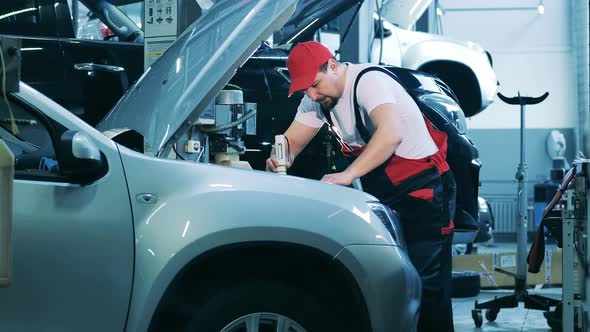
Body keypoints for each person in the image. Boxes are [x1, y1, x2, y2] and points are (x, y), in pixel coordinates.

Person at [265, 41, 456, 331]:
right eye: (306, 89)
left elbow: (391, 134)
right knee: (395, 283)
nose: (313, 95)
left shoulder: (369, 82)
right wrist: (282, 156)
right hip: (386, 195)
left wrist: (346, 175)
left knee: (427, 289)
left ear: (331, 66)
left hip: (423, 193)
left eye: (315, 85)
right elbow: (292, 140)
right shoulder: (316, 99)